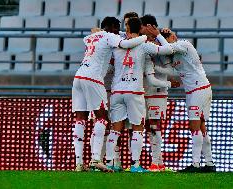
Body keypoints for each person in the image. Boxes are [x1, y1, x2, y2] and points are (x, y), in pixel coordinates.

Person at [72, 16, 147, 172]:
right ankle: (95, 159)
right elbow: (125, 43)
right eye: (117, 27)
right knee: (102, 118)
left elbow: (91, 35)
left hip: (78, 77)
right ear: (112, 26)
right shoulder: (109, 36)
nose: (118, 31)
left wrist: (99, 30)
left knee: (80, 119)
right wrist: (144, 36)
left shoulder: (91, 37)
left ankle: (79, 162)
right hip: (93, 78)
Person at [105, 17, 180, 173]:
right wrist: (157, 35)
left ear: (126, 29)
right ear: (140, 29)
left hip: (117, 91)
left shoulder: (116, 44)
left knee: (115, 129)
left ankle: (110, 163)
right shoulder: (144, 46)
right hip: (134, 91)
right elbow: (168, 49)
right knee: (138, 128)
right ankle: (136, 165)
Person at [163, 29, 216, 172]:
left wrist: (157, 36)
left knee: (194, 127)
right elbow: (171, 71)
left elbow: (166, 48)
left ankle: (195, 164)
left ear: (172, 37)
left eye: (166, 39)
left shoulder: (184, 44)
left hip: (198, 90)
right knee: (202, 126)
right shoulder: (174, 56)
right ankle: (210, 164)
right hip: (199, 89)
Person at [140, 14, 179, 172]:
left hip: (157, 90)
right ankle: (159, 163)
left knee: (155, 125)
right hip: (141, 91)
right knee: (144, 126)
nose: (140, 30)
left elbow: (171, 69)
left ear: (149, 27)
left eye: (142, 27)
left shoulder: (161, 44)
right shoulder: (139, 43)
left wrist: (151, 68)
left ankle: (156, 162)